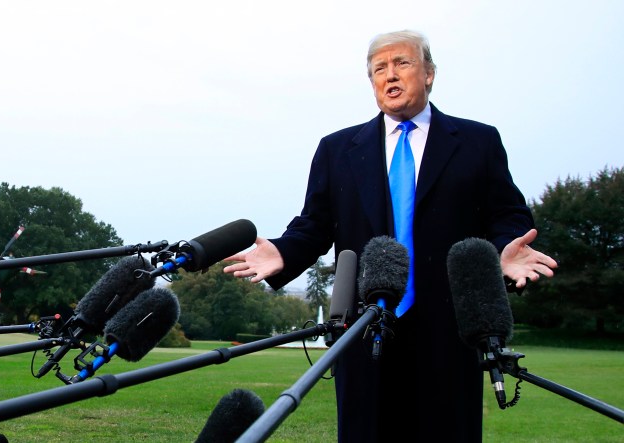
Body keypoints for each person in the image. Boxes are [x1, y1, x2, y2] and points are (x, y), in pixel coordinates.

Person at [223, 30, 558, 442]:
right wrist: (284, 254)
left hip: (449, 336)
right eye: (379, 69)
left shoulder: (478, 141)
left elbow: (507, 214)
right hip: (365, 333)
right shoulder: (337, 148)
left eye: (402, 63)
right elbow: (313, 226)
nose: (389, 75)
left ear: (429, 73)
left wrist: (504, 253)